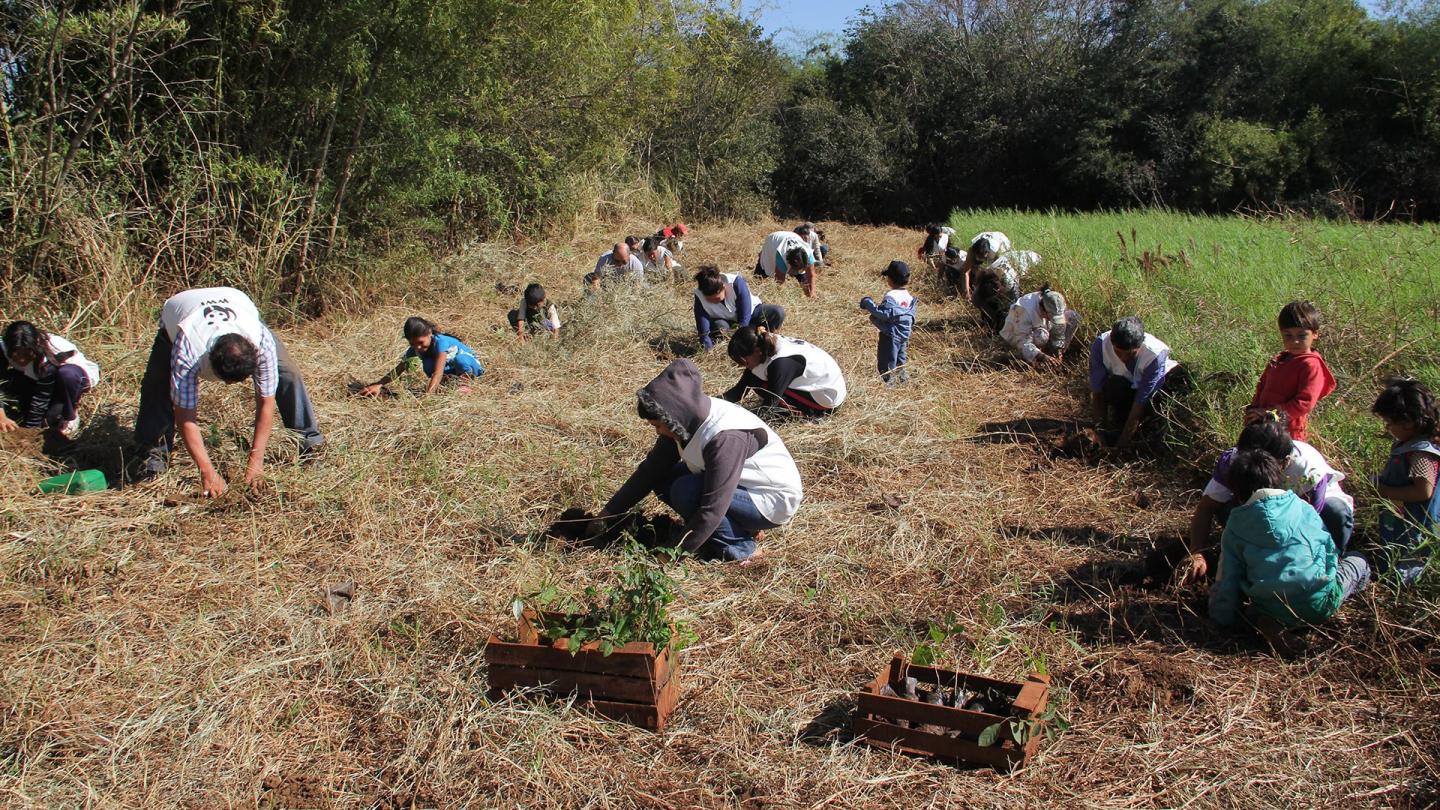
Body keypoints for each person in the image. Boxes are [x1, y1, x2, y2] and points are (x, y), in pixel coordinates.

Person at [589, 359, 803, 562]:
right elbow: (650, 472)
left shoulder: (724, 438)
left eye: (657, 425)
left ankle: (741, 548)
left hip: (770, 500)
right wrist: (607, 514)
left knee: (685, 491)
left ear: (672, 416)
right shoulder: (683, 423)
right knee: (664, 480)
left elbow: (713, 507)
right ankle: (738, 526)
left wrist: (675, 553)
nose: (658, 432)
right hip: (741, 487)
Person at [133, 287, 323, 495]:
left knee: (289, 373)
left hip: (234, 299)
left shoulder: (260, 341)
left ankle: (308, 441)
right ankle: (154, 458)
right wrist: (208, 472)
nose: (230, 386)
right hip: (181, 312)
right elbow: (185, 417)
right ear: (211, 364)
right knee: (157, 385)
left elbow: (265, 403)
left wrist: (256, 462)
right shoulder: (188, 350)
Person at [1208, 448, 1370, 643]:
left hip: (1268, 605)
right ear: (1278, 477)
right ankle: (1319, 615)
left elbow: (1228, 577)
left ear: (1237, 491)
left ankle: (1271, 620)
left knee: (1258, 604)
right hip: (1318, 603)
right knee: (1360, 560)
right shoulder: (1303, 507)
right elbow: (1328, 550)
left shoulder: (1236, 523)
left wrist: (1221, 620)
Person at [1174, 413, 1355, 587]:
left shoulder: (1306, 471)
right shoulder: (1235, 460)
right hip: (1263, 512)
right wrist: (1196, 552)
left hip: (1311, 516)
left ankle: (1331, 564)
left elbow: (1303, 530)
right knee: (1227, 510)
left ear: (1284, 462)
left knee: (1335, 512)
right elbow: (1207, 507)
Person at [1370, 378, 1440, 585]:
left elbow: (1423, 491)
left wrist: (1384, 490)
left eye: (1390, 422)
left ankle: (1400, 586)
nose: (1387, 427)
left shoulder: (1421, 454)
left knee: (1407, 558)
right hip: (1400, 517)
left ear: (1408, 423)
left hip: (1414, 522)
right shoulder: (1408, 444)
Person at [1088, 316, 1184, 450]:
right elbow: (1097, 392)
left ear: (1140, 346)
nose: (1123, 358)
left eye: (1130, 354)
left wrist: (1121, 446)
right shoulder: (1101, 345)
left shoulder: (1154, 355)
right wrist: (1100, 434)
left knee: (1156, 406)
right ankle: (1118, 423)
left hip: (1154, 391)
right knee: (1114, 387)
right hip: (1125, 385)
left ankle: (1142, 432)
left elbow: (1140, 403)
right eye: (1118, 352)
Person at [1245, 301, 1335, 442]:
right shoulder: (1280, 360)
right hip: (1263, 427)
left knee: (1283, 463)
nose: (1295, 341)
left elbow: (1305, 402)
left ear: (1315, 334)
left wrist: (1269, 414)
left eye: (1301, 336)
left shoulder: (1310, 364)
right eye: (1288, 336)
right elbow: (1261, 387)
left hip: (1288, 433)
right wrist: (1253, 411)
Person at [1, 320, 100, 437]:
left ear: (35, 346)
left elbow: (41, 397)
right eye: (16, 355)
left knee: (51, 418)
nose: (21, 360)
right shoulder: (3, 347)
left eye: (27, 355)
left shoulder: (51, 354)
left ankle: (70, 414)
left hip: (70, 379)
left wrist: (30, 431)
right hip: (34, 377)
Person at [723, 327, 846, 418]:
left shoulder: (780, 363)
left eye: (745, 362)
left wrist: (739, 419)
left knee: (760, 385)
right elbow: (739, 390)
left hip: (826, 399)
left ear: (756, 351)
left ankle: (810, 414)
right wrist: (712, 403)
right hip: (820, 382)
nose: (744, 366)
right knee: (754, 378)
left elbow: (769, 407)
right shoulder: (762, 341)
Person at [360, 316, 484, 397]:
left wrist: (427, 396)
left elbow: (438, 373)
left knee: (460, 360)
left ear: (429, 333)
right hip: (450, 370)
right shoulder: (415, 349)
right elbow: (398, 369)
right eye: (413, 344)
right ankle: (448, 386)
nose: (417, 347)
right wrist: (379, 384)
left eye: (420, 342)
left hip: (470, 366)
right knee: (429, 364)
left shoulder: (441, 342)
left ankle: (465, 385)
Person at [693, 266, 785, 351]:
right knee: (719, 326)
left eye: (716, 298)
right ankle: (749, 334)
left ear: (723, 287)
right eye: (710, 300)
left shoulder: (736, 282)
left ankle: (763, 337)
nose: (714, 302)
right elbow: (702, 326)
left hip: (751, 315)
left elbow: (745, 317)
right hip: (727, 323)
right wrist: (707, 347)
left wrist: (743, 335)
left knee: (777, 312)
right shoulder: (699, 296)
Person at [860, 260, 917, 384]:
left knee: (886, 361)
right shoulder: (909, 297)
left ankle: (888, 383)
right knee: (900, 358)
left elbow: (883, 314)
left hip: (890, 335)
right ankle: (903, 380)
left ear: (890, 279)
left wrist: (867, 303)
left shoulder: (891, 296)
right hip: (904, 334)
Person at [1000, 287, 1081, 369]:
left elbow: (1060, 326)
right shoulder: (1024, 310)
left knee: (1073, 317)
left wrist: (1058, 348)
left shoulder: (1055, 303)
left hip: (1043, 329)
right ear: (1042, 309)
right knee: (1042, 336)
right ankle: (1035, 359)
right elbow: (1022, 342)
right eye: (1050, 316)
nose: (1052, 319)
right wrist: (1041, 356)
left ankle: (1054, 354)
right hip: (1018, 337)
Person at [753, 230, 817, 297]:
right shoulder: (781, 256)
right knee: (763, 270)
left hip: (793, 236)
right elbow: (779, 281)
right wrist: (783, 297)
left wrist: (812, 293)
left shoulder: (808, 254)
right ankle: (755, 293)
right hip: (774, 239)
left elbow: (811, 275)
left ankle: (809, 296)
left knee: (804, 281)